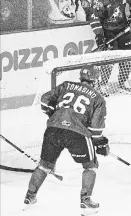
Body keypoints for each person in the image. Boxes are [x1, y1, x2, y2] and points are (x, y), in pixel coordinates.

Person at [23, 65, 109, 215]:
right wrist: (102, 144)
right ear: (95, 80)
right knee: (90, 166)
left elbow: (44, 101)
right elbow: (95, 131)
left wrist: (55, 115)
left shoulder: (66, 85)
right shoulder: (98, 98)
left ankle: (30, 196)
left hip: (53, 130)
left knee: (44, 165)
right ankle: (86, 201)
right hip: (77, 134)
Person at [89, 0, 131, 96]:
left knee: (127, 56)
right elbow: (94, 18)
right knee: (109, 59)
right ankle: (103, 84)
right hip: (108, 31)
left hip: (123, 28)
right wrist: (100, 36)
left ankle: (123, 82)